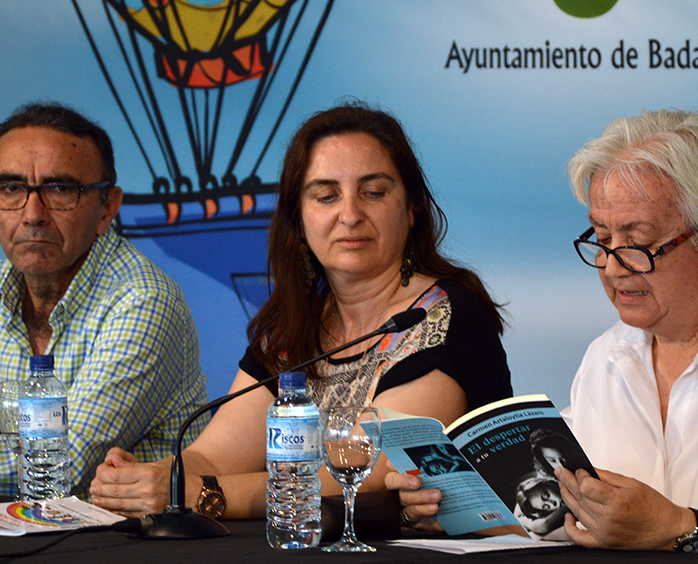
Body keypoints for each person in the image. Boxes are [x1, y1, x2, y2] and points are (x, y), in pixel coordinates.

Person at [391, 109, 698, 563]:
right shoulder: (608, 356)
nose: (610, 266)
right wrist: (457, 507)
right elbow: (569, 522)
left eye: (638, 243)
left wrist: (679, 528)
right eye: (602, 239)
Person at [90, 102, 512, 519]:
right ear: (299, 217)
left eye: (374, 193)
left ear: (412, 207)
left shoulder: (444, 317)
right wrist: (151, 479)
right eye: (326, 196)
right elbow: (214, 458)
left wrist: (200, 495)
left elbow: (361, 474)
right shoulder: (293, 327)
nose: (350, 215)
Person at [0, 102, 208, 496]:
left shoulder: (143, 301)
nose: (32, 214)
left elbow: (58, 466)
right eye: (10, 189)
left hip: (109, 552)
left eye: (60, 189)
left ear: (106, 207)